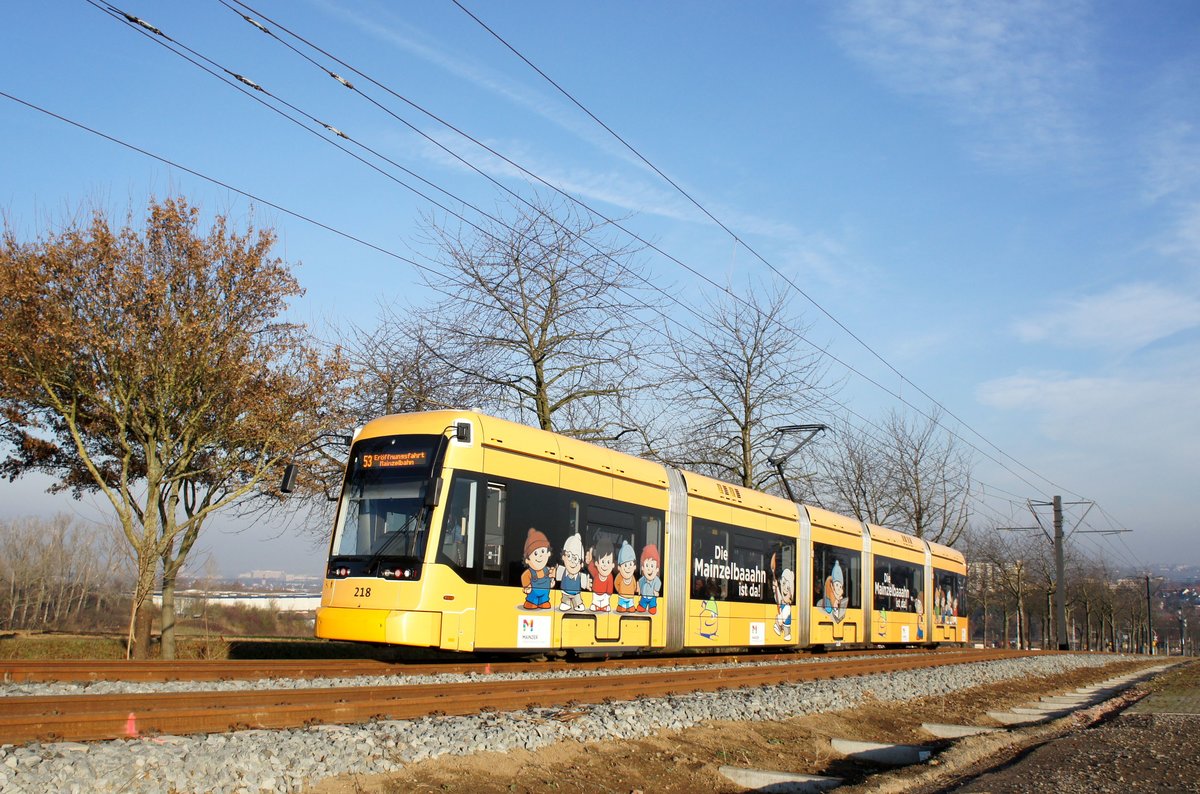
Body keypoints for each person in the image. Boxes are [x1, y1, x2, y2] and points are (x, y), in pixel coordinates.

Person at [520, 528, 553, 609]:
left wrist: (551, 582)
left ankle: (543, 602)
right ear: (527, 560)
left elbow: (552, 575)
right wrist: (526, 586)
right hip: (533, 593)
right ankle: (531, 602)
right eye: (535, 553)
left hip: (544, 594)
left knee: (544, 599)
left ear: (548, 553)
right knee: (532, 600)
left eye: (542, 551)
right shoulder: (529, 572)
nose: (540, 556)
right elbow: (524, 577)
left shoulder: (547, 570)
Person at [636, 544, 661, 614]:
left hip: (652, 597)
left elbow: (658, 584)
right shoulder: (643, 579)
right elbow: (639, 583)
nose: (649, 569)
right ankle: (642, 606)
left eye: (652, 566)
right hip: (644, 597)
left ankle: (652, 607)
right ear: (643, 568)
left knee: (652, 603)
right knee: (642, 603)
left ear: (657, 569)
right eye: (647, 565)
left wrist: (656, 591)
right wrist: (638, 588)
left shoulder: (656, 580)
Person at [614, 541, 638, 613]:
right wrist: (620, 590)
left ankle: (630, 607)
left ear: (634, 566)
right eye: (625, 565)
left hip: (630, 597)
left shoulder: (632, 578)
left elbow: (634, 586)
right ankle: (621, 606)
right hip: (622, 597)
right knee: (622, 607)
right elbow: (616, 583)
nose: (628, 568)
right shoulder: (619, 577)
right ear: (619, 567)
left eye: (630, 564)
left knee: (631, 607)